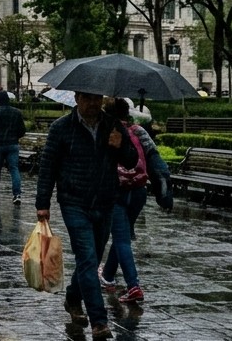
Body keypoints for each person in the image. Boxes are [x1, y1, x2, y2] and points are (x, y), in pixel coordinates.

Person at [36, 91, 139, 340]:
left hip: (105, 201)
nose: (93, 103)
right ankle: (99, 321)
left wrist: (122, 145)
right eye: (87, 98)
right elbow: (48, 165)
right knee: (86, 257)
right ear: (77, 98)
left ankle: (73, 298)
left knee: (90, 261)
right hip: (74, 201)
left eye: (97, 98)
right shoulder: (62, 127)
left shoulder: (112, 125)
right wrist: (42, 203)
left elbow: (132, 161)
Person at [99, 98, 174, 304]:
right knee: (122, 235)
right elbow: (155, 160)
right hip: (139, 191)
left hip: (116, 191)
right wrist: (164, 191)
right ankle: (107, 276)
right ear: (127, 113)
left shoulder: (106, 132)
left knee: (122, 238)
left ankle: (133, 286)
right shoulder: (139, 131)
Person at [0, 90, 27, 204]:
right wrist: (15, 137)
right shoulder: (16, 112)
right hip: (13, 145)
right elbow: (22, 130)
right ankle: (17, 194)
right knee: (14, 169)